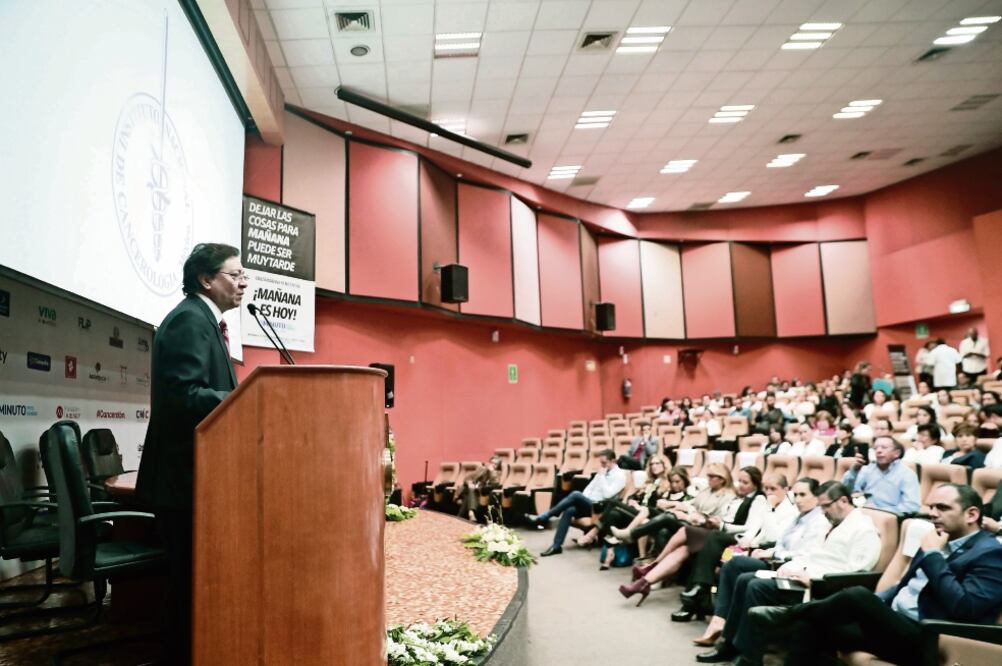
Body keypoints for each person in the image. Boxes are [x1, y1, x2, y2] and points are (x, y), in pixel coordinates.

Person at [135, 243, 245, 665]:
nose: (243, 282)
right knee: (188, 582)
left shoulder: (203, 322)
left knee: (192, 582)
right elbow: (185, 397)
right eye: (234, 275)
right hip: (184, 481)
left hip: (196, 478)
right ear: (206, 279)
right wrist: (244, 401)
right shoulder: (189, 322)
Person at [778, 483, 1002, 666]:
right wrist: (876, 607)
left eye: (942, 508)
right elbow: (906, 586)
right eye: (932, 507)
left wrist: (933, 555)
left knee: (858, 596)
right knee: (810, 626)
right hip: (894, 623)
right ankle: (794, 617)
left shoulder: (990, 553)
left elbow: (965, 607)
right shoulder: (938, 538)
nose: (933, 514)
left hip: (929, 635)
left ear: (972, 514)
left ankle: (784, 615)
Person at [696, 482, 881, 665]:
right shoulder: (833, 523)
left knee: (756, 586)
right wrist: (792, 566)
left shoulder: (863, 530)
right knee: (745, 579)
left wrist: (810, 577)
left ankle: (748, 657)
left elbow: (856, 572)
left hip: (820, 586)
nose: (823, 511)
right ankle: (729, 644)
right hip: (802, 576)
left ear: (843, 500)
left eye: (826, 506)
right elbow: (810, 554)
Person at [692, 478, 829, 648]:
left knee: (745, 578)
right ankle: (719, 620)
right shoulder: (799, 517)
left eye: (803, 495)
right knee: (733, 564)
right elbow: (779, 541)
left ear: (816, 496)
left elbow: (805, 554)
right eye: (796, 495)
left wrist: (771, 550)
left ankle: (730, 638)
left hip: (791, 569)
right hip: (775, 561)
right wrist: (767, 552)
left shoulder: (818, 521)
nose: (798, 499)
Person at [618, 467, 766, 607]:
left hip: (731, 538)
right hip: (716, 531)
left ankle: (651, 565)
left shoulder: (757, 499)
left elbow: (748, 528)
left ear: (756, 484)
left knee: (683, 530)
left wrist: (721, 524)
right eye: (739, 481)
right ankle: (643, 583)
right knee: (683, 548)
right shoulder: (738, 496)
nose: (740, 485)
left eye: (745, 483)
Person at [672, 473, 796, 622]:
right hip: (747, 545)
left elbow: (772, 536)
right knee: (707, 551)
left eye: (773, 489)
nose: (769, 493)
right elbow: (753, 526)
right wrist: (746, 540)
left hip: (763, 551)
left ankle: (694, 601)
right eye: (767, 488)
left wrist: (770, 508)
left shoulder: (790, 511)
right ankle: (698, 595)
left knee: (713, 541)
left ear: (786, 489)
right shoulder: (765, 504)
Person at [610, 463, 736, 556]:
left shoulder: (728, 496)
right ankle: (631, 535)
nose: (708, 479)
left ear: (721, 478)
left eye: (711, 476)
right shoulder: (707, 490)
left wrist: (686, 515)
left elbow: (716, 521)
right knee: (660, 526)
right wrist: (674, 505)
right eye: (708, 476)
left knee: (668, 516)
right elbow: (690, 504)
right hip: (691, 521)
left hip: (702, 528)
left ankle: (631, 535)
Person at [528, 449, 625, 556]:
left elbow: (608, 495)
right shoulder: (603, 471)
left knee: (575, 494)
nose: (602, 465)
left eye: (604, 463)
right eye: (601, 463)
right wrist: (583, 500)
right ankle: (556, 546)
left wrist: (601, 476)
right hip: (588, 504)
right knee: (570, 510)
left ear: (613, 461)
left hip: (599, 508)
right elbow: (589, 488)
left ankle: (546, 516)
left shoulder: (620, 476)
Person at [575, 454, 674, 551]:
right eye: (652, 464)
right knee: (614, 514)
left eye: (657, 463)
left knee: (612, 502)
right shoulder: (650, 481)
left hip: (648, 515)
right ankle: (610, 551)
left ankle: (592, 533)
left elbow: (660, 506)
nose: (654, 466)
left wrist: (640, 507)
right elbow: (636, 496)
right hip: (637, 511)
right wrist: (632, 500)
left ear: (664, 464)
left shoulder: (668, 483)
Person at [842, 435, 920, 514]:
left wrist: (880, 510)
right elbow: (848, 492)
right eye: (875, 448)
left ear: (897, 453)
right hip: (863, 513)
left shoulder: (907, 474)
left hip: (889, 517)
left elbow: (912, 506)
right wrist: (854, 471)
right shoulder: (868, 469)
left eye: (884, 447)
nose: (878, 451)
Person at [454, 455, 503, 521]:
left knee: (468, 495)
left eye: (495, 464)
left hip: (479, 491)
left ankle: (462, 516)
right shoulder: (481, 469)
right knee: (471, 489)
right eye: (492, 463)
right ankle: (470, 513)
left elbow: (495, 484)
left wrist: (492, 472)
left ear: (498, 466)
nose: (493, 465)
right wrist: (469, 483)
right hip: (468, 489)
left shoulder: (497, 473)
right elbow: (467, 478)